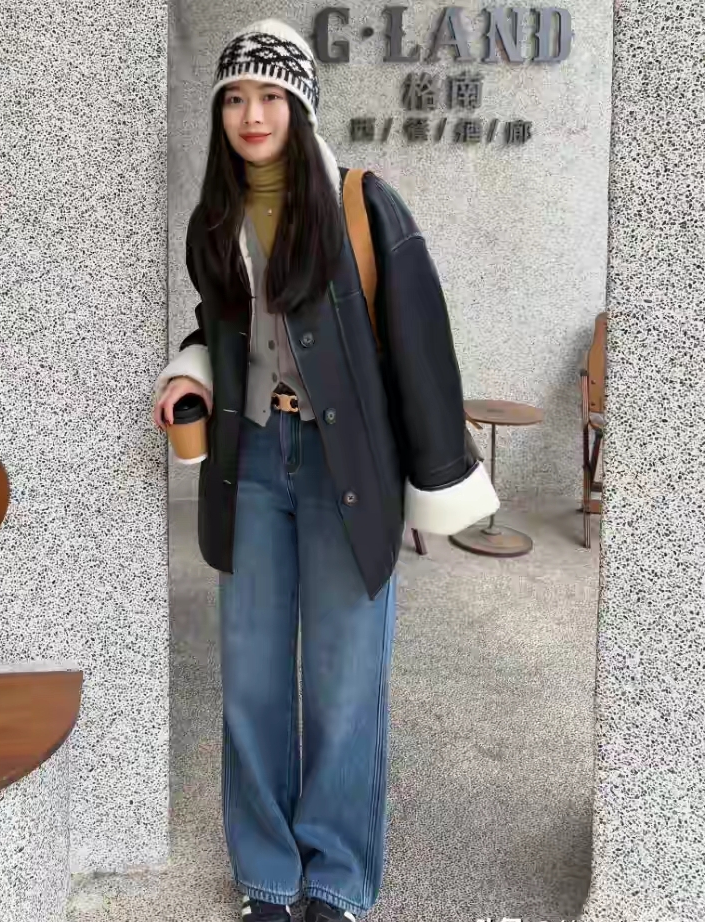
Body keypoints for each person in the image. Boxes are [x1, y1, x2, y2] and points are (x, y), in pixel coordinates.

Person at [152, 19, 499, 922]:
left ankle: (337, 878)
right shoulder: (214, 218)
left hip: (346, 464)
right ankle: (268, 876)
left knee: (345, 680)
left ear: (301, 106)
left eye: (270, 96)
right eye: (235, 98)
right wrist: (191, 373)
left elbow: (421, 343)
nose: (251, 115)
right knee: (252, 678)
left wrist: (436, 477)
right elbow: (220, 328)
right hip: (254, 461)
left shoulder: (362, 204)